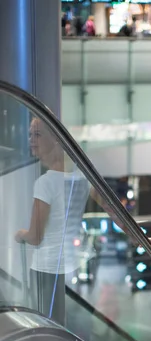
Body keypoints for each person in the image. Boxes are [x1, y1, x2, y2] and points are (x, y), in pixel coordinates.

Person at [15, 119, 91, 325]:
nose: (31, 140)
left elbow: (35, 237)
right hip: (69, 264)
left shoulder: (45, 183)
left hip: (46, 269)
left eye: (37, 135)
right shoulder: (80, 176)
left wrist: (20, 234)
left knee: (45, 323)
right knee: (62, 321)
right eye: (30, 135)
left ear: (56, 139)